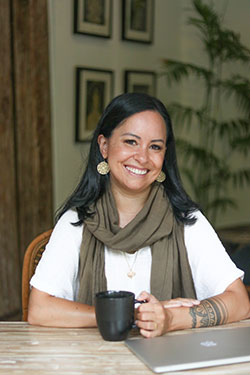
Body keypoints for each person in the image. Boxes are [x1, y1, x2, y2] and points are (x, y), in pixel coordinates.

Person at [28, 93, 250, 337]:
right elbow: (40, 309)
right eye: (131, 142)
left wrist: (170, 319)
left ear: (164, 156)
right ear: (104, 146)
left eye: (155, 147)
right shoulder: (76, 221)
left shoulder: (187, 220)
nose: (143, 157)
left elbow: (239, 301)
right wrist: (130, 316)